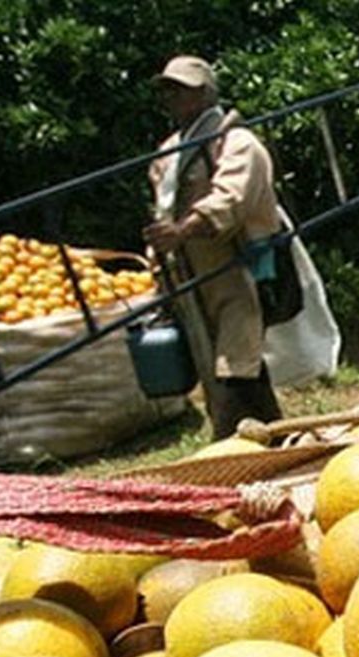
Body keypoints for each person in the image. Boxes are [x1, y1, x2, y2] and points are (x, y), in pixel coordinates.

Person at [144, 55, 285, 439]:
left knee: (237, 353)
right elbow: (162, 208)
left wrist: (183, 230)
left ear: (206, 93)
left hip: (236, 261)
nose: (171, 98)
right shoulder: (170, 150)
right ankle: (271, 434)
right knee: (214, 357)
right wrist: (161, 259)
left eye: (181, 90)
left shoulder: (237, 142)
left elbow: (231, 199)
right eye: (166, 90)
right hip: (188, 270)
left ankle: (229, 441)